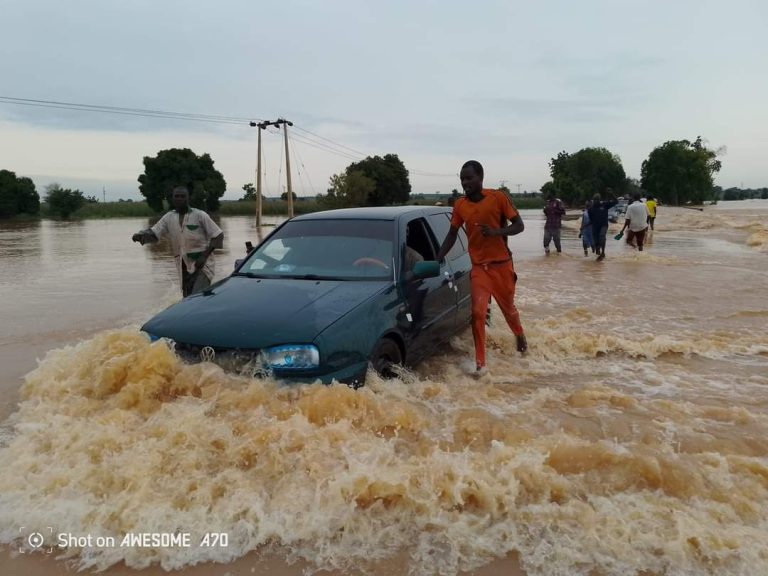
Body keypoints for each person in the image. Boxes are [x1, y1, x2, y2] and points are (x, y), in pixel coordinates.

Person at [436, 160, 527, 374]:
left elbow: (519, 226)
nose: (465, 182)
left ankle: (519, 334)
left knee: (508, 310)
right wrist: (438, 258)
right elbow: (452, 234)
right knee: (477, 313)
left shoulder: (498, 198)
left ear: (480, 177)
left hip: (502, 266)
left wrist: (496, 232)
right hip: (478, 268)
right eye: (462, 179)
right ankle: (480, 364)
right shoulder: (460, 205)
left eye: (469, 178)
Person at [132, 185, 224, 296]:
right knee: (187, 299)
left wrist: (204, 256)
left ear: (188, 198)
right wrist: (141, 235)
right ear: (172, 199)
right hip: (182, 265)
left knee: (197, 297)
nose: (179, 199)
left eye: (182, 196)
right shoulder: (168, 217)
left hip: (202, 266)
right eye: (176, 196)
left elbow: (218, 235)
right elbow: (155, 232)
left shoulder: (200, 215)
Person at [588, 189, 618, 261]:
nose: (596, 201)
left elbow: (616, 202)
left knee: (602, 236)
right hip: (595, 227)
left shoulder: (604, 205)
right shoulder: (591, 209)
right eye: (594, 199)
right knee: (596, 243)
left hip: (603, 225)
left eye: (597, 199)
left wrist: (612, 194)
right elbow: (591, 219)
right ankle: (598, 257)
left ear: (599, 199)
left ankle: (603, 252)